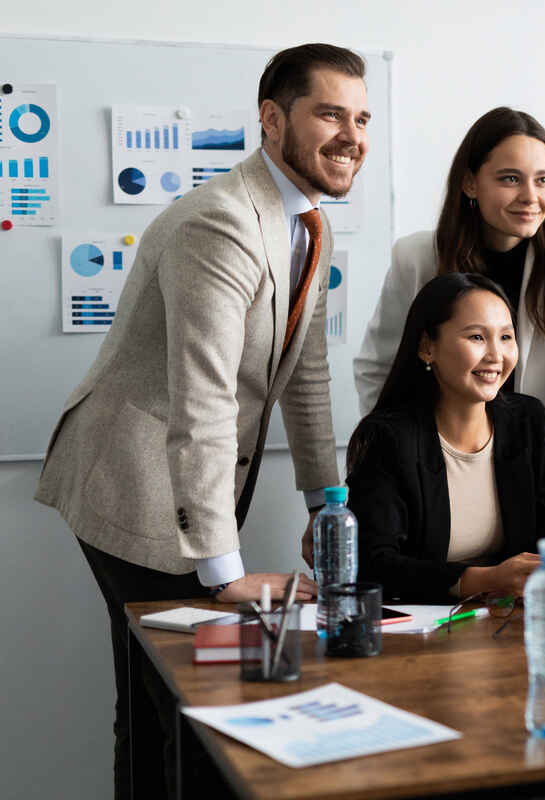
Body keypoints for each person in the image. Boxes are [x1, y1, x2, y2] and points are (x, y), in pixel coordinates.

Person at [33, 43, 370, 797]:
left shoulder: (310, 226)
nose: (353, 135)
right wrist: (226, 573)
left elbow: (305, 379)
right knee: (174, 696)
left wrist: (327, 503)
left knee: (182, 699)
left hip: (188, 477)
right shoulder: (219, 222)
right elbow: (206, 397)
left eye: (362, 117)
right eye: (330, 114)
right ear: (272, 120)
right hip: (130, 477)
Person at [354, 106, 545, 546]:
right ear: (469, 182)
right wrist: (393, 458)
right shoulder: (418, 256)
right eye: (510, 178)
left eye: (543, 179)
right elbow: (378, 367)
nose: (530, 196)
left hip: (525, 461)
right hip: (434, 460)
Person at [347, 273, 545, 602]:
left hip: (511, 621)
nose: (496, 355)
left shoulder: (525, 419)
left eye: (506, 337)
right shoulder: (388, 438)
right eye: (476, 337)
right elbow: (373, 565)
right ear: (427, 347)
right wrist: (484, 579)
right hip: (423, 635)